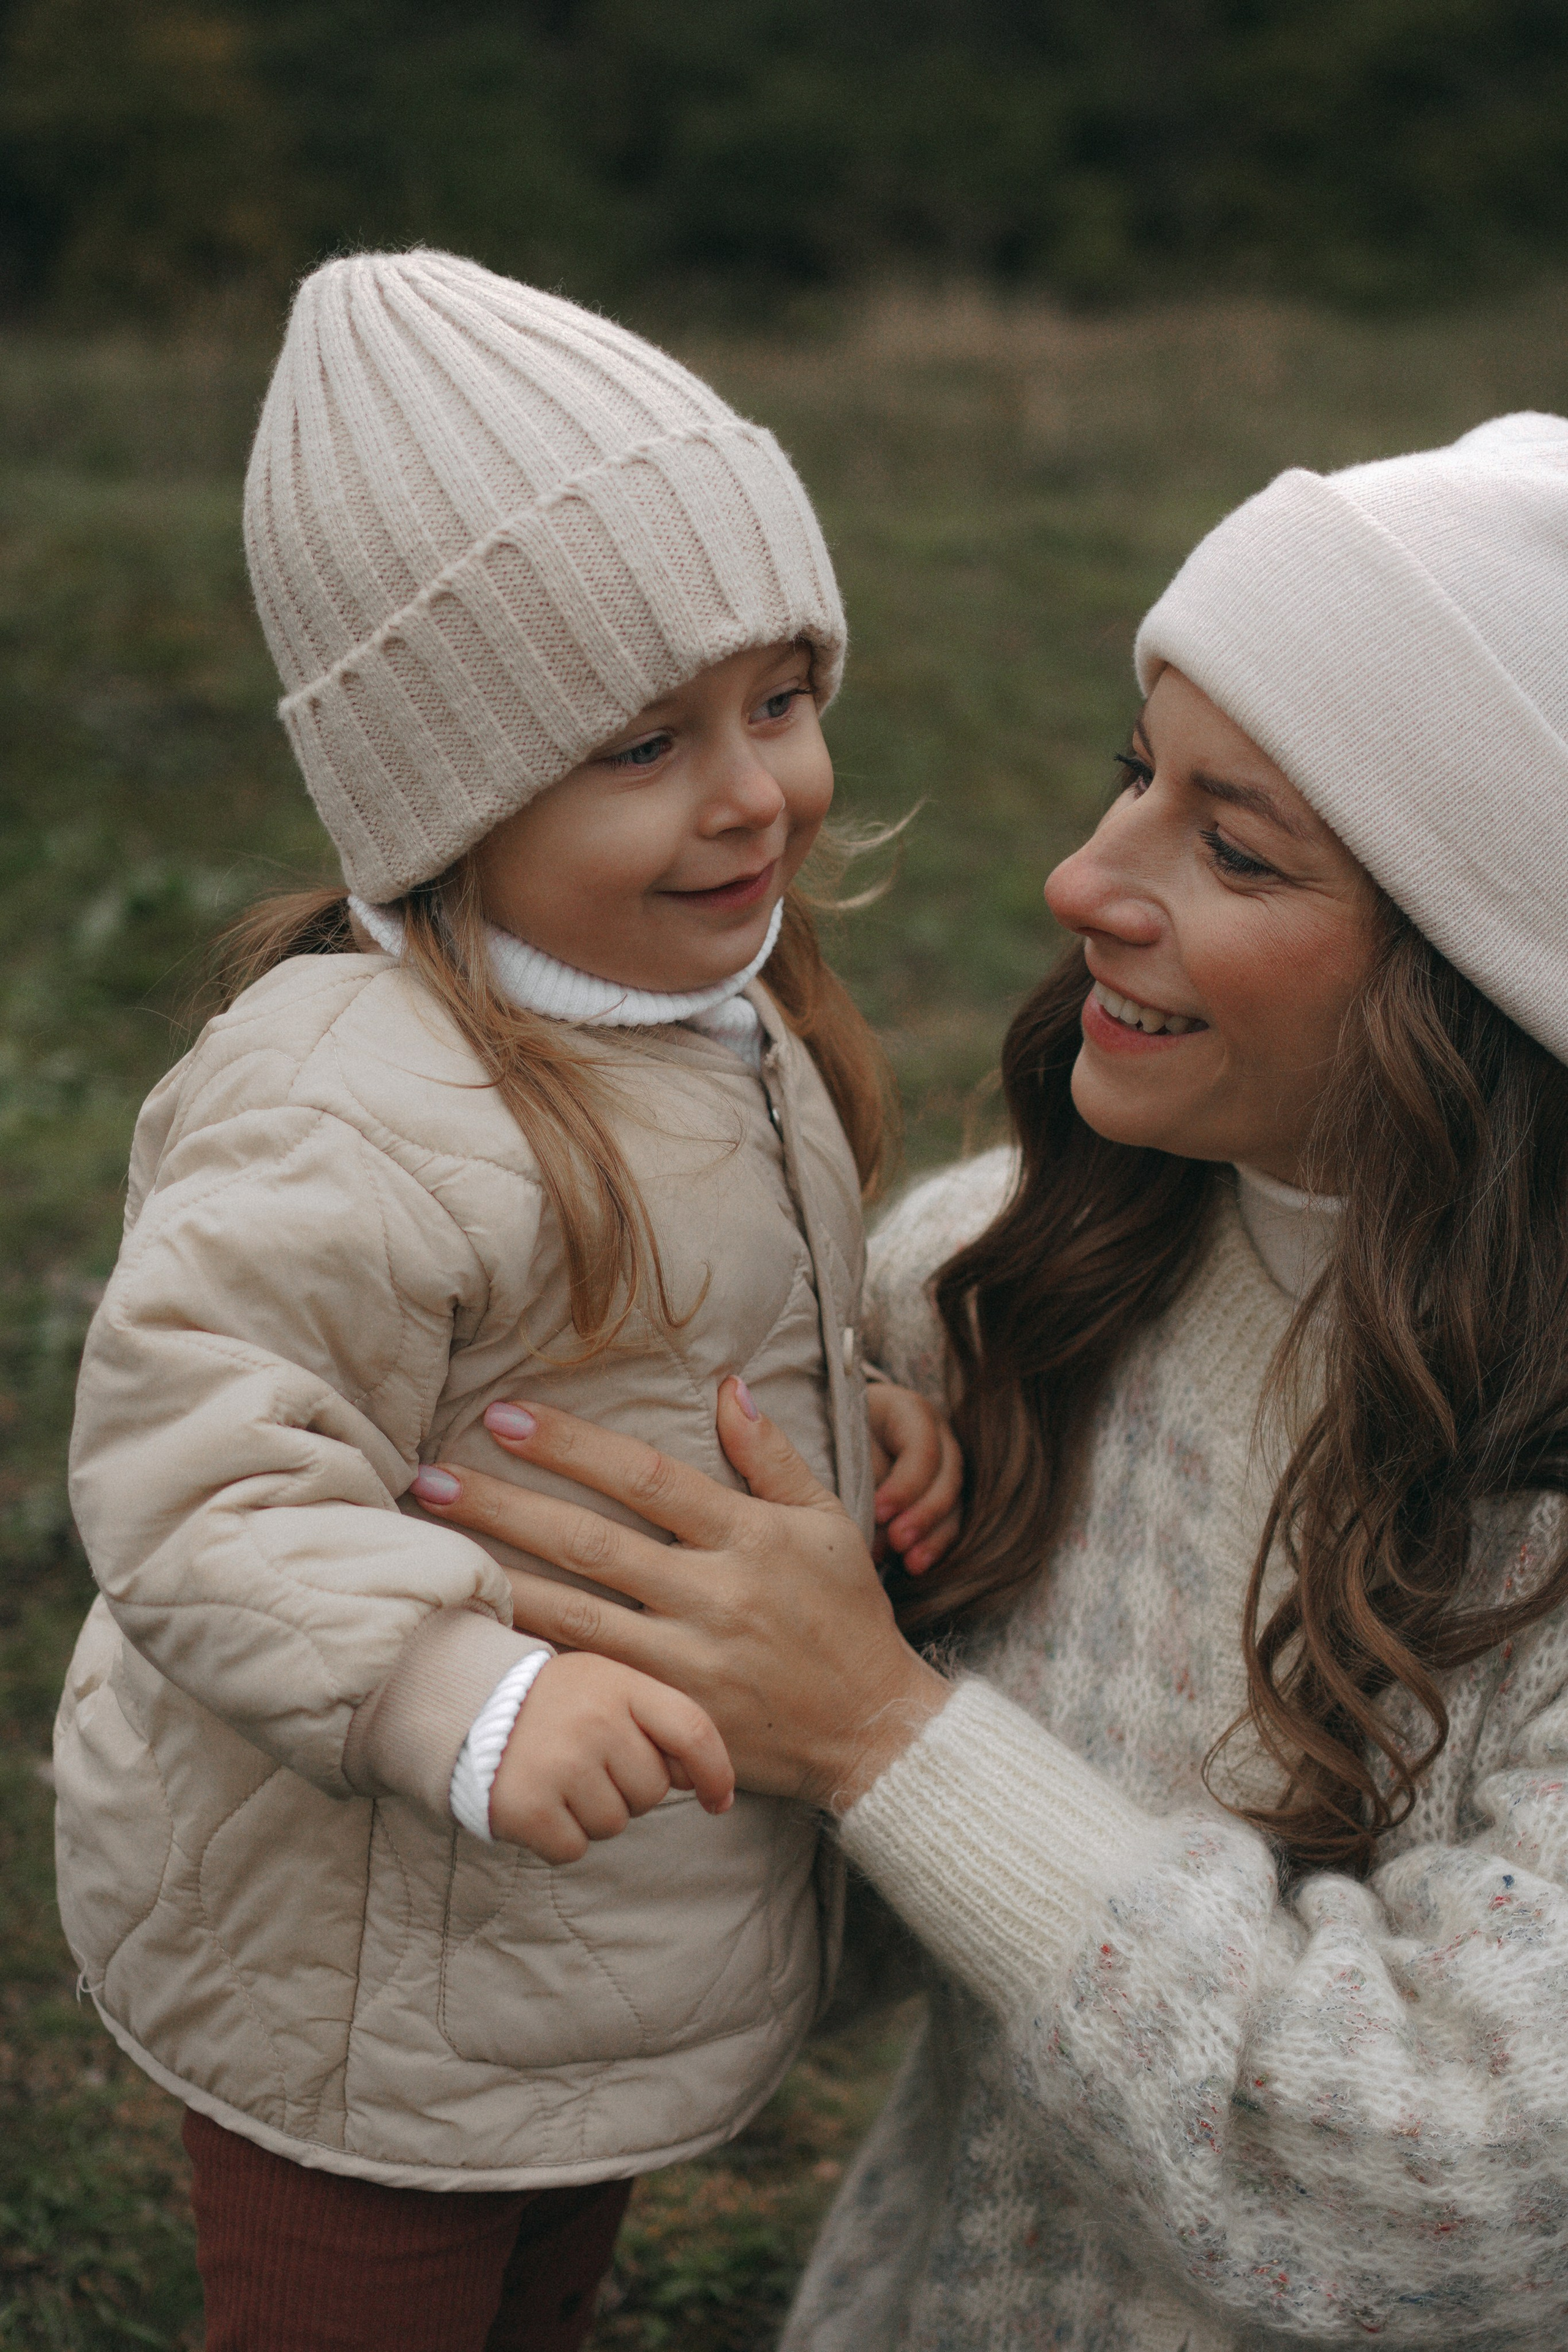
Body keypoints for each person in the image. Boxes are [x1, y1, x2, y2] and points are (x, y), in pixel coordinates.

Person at [408, 413, 1568, 2346]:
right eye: (1138, 776)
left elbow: (1465, 2186)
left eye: (1237, 845)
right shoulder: (981, 1281)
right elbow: (807, 1946)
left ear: (1484, 982)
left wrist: (880, 1728)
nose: (1080, 877)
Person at [53, 249, 961, 2352]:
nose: (752, 792)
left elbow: (722, 1331)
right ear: (447, 794)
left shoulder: (724, 1008)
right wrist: (456, 1701)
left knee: (543, 2288)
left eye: (781, 699)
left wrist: (868, 1414)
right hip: (371, 1957)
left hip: (583, 1934)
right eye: (644, 741)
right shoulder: (345, 1104)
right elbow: (200, 1484)